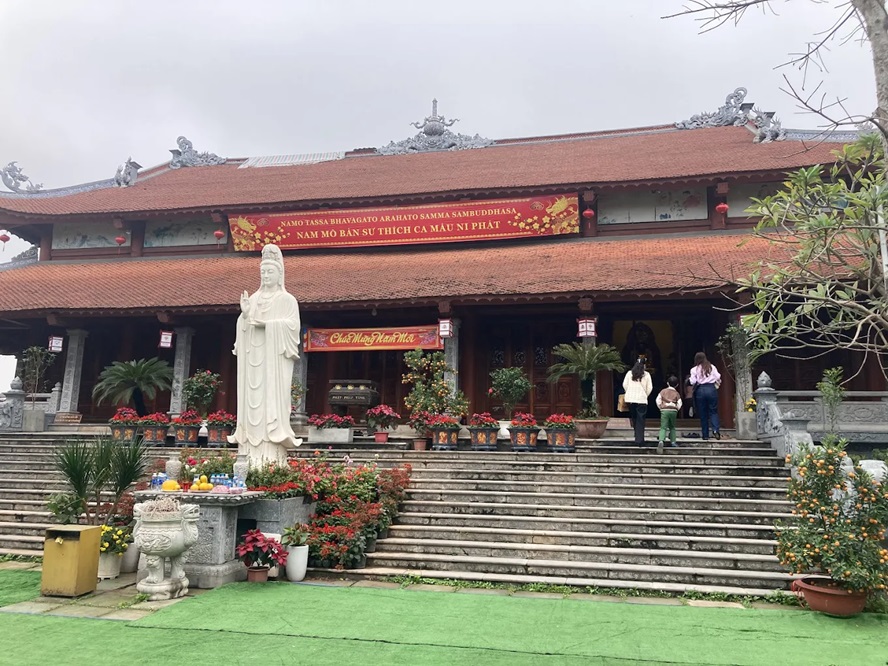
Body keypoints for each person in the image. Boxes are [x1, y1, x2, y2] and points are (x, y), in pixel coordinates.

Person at [228, 244, 302, 464]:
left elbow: (293, 328)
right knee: (251, 403)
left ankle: (271, 458)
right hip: (253, 362)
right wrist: (245, 316)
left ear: (279, 274)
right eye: (263, 272)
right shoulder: (253, 300)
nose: (266, 275)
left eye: (271, 272)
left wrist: (268, 325)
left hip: (274, 365)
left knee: (271, 402)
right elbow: (243, 331)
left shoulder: (287, 300)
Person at [688, 351, 722, 440]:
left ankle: (705, 435)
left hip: (700, 390)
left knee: (703, 413)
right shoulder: (712, 367)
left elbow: (693, 382)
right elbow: (718, 377)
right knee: (713, 411)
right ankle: (715, 430)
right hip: (711, 389)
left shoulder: (694, 369)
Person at [622, 358, 652, 446]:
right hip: (641, 400)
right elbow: (649, 388)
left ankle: (636, 435)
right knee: (641, 420)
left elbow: (624, 385)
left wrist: (629, 392)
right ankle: (639, 439)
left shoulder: (629, 374)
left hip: (630, 399)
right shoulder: (646, 375)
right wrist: (645, 395)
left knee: (634, 418)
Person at [655, 376, 683, 455]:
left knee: (663, 426)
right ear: (677, 385)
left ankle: (661, 440)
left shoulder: (663, 391)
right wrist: (677, 408)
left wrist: (660, 406)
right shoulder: (676, 393)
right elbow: (680, 402)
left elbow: (658, 399)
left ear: (667, 383)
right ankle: (673, 442)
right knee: (672, 427)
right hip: (673, 410)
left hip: (664, 410)